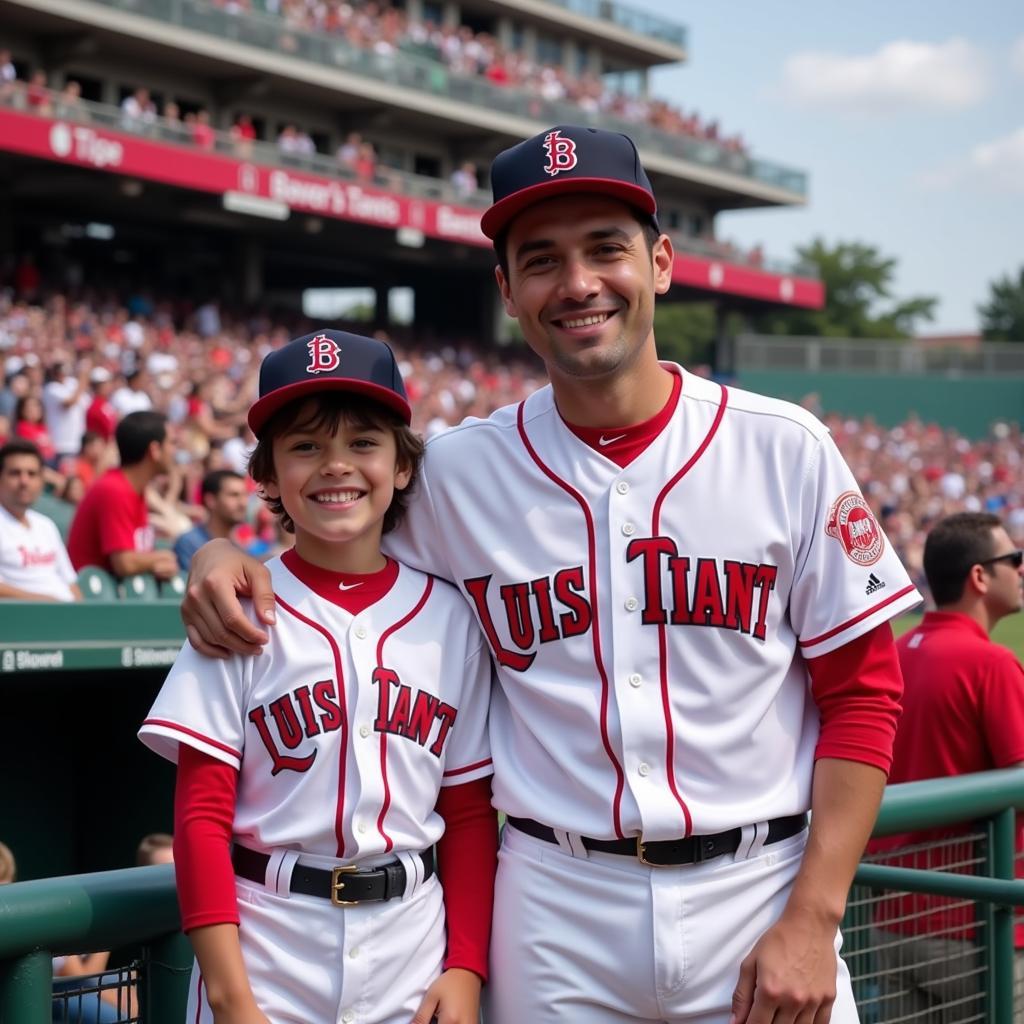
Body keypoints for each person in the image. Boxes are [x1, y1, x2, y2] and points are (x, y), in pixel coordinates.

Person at [182, 125, 922, 1024]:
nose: (576, 284)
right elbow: (334, 548)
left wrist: (815, 912)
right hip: (553, 906)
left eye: (605, 249)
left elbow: (865, 694)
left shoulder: (784, 448)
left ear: (660, 261)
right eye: (540, 261)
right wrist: (225, 554)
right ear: (507, 292)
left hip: (761, 893)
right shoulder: (456, 472)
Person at [140, 330, 496, 1024]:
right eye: (305, 446)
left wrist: (467, 966)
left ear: (401, 466)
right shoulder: (237, 611)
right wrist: (230, 996)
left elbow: (468, 812)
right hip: (270, 944)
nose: (336, 465)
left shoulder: (450, 617)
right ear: (267, 476)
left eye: (363, 443)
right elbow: (201, 817)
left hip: (411, 947)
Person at [869, 512, 1024, 1020]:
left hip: (889, 923)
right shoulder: (992, 664)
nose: (1020, 571)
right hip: (974, 924)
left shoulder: (895, 652)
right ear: (980, 576)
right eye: (1014, 560)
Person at [67, 411, 179, 581]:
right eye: (172, 443)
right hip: (89, 599)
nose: (175, 451)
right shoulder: (114, 489)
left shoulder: (133, 487)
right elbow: (124, 563)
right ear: (154, 450)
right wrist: (162, 557)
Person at [0, 439, 81, 602]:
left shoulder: (46, 525)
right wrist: (44, 602)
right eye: (15, 473)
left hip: (65, 618)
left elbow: (71, 584)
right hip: (24, 621)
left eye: (32, 474)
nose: (24, 481)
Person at [173, 469, 249, 570]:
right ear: (211, 500)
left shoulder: (239, 550)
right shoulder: (189, 544)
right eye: (234, 495)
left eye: (245, 495)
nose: (243, 503)